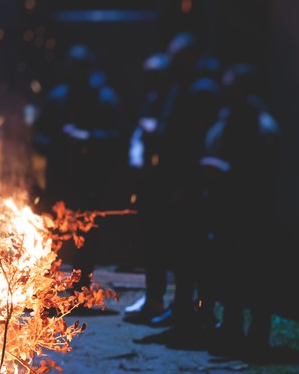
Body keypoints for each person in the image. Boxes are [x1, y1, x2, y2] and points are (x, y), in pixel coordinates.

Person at [130, 34, 223, 336]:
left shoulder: (201, 90)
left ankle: (197, 313)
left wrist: (185, 183)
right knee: (181, 252)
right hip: (174, 181)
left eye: (176, 56)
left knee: (194, 252)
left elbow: (193, 142)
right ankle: (181, 308)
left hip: (190, 184)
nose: (171, 62)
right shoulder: (179, 87)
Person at [32, 45, 126, 299]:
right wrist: (58, 144)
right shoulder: (58, 98)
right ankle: (48, 287)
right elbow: (39, 135)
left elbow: (118, 137)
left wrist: (89, 138)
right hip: (59, 179)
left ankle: (82, 287)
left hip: (89, 178)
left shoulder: (103, 99)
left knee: (86, 232)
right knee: (54, 232)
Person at [201, 64, 282, 358]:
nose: (226, 93)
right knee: (231, 270)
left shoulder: (261, 126)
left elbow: (263, 171)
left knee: (256, 274)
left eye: (232, 88)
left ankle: (258, 337)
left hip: (251, 210)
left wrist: (227, 172)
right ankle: (233, 328)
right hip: (227, 208)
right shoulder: (232, 119)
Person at [123, 53, 172, 321]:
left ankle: (167, 302)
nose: (149, 82)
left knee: (166, 244)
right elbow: (140, 134)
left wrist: (158, 131)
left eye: (154, 76)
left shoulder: (174, 100)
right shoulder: (153, 100)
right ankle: (153, 297)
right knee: (151, 244)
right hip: (149, 182)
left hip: (167, 182)